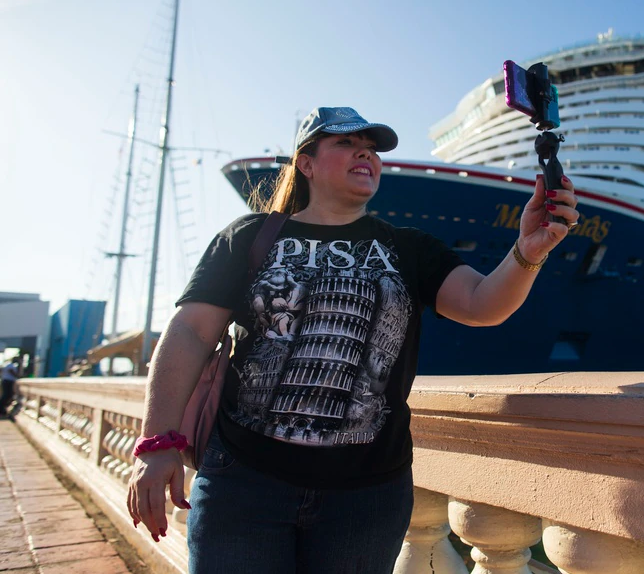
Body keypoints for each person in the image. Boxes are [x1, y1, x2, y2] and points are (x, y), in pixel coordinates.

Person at [127, 107, 579, 573]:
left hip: (366, 497)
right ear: (306, 163)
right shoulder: (248, 237)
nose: (366, 152)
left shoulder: (409, 247)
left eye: (372, 147)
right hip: (243, 481)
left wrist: (527, 252)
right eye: (344, 143)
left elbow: (483, 304)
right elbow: (189, 332)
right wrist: (156, 442)